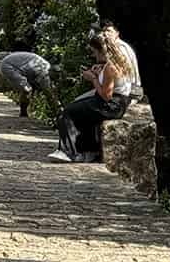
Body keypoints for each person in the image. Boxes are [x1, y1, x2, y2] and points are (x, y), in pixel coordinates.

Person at [49, 30, 133, 163]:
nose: (93, 54)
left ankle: (69, 152)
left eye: (94, 51)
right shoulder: (116, 63)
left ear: (101, 51)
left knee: (68, 112)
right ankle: (88, 151)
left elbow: (106, 95)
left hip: (111, 105)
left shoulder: (111, 67)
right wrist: (98, 74)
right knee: (80, 109)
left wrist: (93, 78)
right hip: (117, 102)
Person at [0, 50, 54, 117]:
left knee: (28, 88)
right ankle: (23, 113)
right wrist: (55, 105)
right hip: (8, 66)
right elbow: (47, 90)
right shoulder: (44, 69)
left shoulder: (44, 65)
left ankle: (24, 112)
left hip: (13, 64)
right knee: (27, 89)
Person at [95, 22, 141, 98]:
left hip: (130, 92)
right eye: (104, 31)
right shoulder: (115, 47)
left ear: (117, 33)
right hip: (126, 90)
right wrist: (102, 67)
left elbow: (126, 72)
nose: (105, 33)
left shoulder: (120, 47)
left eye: (109, 31)